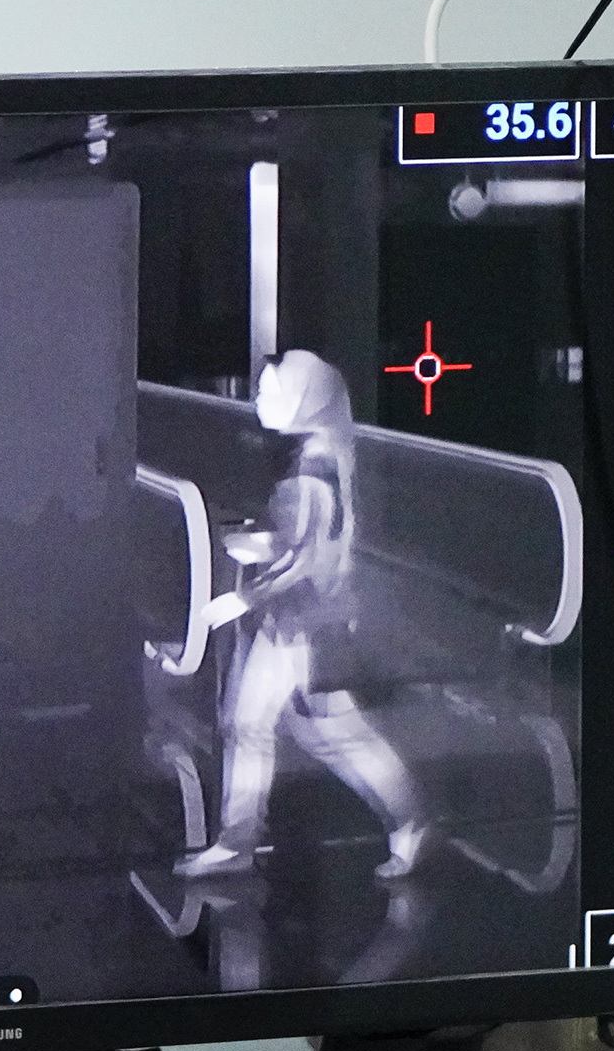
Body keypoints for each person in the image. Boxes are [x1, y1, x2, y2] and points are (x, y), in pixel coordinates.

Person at [179, 350, 433, 884]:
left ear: (305, 399)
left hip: (309, 627)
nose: (258, 401)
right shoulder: (326, 452)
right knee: (251, 726)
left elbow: (309, 560)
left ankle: (412, 820)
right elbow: (313, 542)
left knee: (334, 734)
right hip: (294, 621)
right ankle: (236, 842)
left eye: (272, 392)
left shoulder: (314, 466)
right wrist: (266, 545)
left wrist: (240, 600)